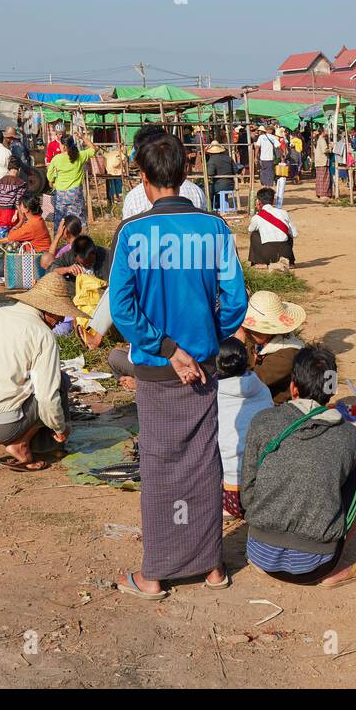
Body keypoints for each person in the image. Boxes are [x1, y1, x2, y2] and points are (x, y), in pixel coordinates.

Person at [106, 125, 246, 601]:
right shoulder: (214, 228)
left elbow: (122, 310)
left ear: (144, 179)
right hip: (203, 368)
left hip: (155, 367)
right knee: (205, 461)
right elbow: (235, 301)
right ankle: (211, 568)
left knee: (163, 465)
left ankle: (156, 574)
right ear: (185, 174)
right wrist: (204, 339)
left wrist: (169, 349)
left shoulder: (133, 232)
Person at [240, 344, 356, 587]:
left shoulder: (262, 421)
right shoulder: (350, 437)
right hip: (316, 564)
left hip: (259, 552)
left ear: (293, 387)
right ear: (331, 390)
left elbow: (247, 493)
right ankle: (334, 570)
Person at [0, 273, 80, 471]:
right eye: (59, 313)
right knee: (58, 382)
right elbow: (47, 397)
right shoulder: (42, 334)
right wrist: (60, 428)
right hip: (0, 427)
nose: (61, 320)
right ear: (47, 309)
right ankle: (20, 443)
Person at [216, 336, 273, 520]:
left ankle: (227, 509)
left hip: (230, 493)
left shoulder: (211, 395)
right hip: (262, 491)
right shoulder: (262, 388)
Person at [235, 290, 306, 404]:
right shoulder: (255, 339)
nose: (245, 330)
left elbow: (249, 384)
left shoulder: (288, 354)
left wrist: (238, 345)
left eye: (250, 328)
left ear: (269, 331)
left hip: (278, 408)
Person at [46, 131, 95, 231]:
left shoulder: (57, 158)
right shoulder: (80, 155)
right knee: (79, 219)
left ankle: (58, 239)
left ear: (63, 146)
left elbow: (50, 175)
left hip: (60, 194)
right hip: (75, 193)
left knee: (60, 220)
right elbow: (94, 149)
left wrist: (52, 183)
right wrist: (82, 137)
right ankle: (82, 241)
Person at [248, 186, 298, 269]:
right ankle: (290, 262)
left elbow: (250, 230)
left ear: (258, 202)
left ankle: (260, 262)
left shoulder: (257, 217)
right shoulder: (284, 213)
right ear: (273, 200)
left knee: (254, 234)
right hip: (285, 254)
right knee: (288, 234)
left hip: (267, 255)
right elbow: (295, 234)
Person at [205, 141, 237, 210]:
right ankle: (218, 205)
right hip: (230, 184)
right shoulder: (229, 158)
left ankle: (211, 207)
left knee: (207, 188)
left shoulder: (212, 160)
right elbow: (235, 170)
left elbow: (210, 173)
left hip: (219, 185)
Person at [256, 124, 278, 188]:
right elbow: (278, 146)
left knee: (263, 171)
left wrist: (256, 157)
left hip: (262, 158)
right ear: (270, 130)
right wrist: (282, 155)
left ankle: (263, 185)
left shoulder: (261, 137)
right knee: (270, 172)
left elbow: (257, 147)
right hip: (270, 157)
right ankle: (268, 186)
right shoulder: (273, 137)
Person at [313, 128, 331, 201]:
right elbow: (324, 150)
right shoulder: (322, 140)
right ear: (323, 132)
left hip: (318, 161)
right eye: (326, 131)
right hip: (323, 161)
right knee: (324, 178)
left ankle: (319, 193)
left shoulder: (317, 140)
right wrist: (330, 148)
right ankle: (323, 194)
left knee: (319, 178)